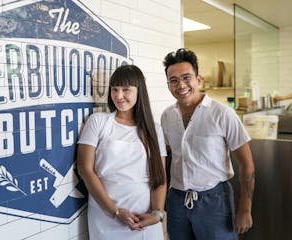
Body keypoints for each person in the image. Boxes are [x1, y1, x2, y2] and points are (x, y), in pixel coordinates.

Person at [161, 48, 255, 239]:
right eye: (173, 80)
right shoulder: (167, 116)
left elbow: (247, 164)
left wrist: (245, 208)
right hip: (177, 200)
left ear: (199, 79)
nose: (181, 85)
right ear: (168, 85)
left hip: (214, 201)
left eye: (187, 77)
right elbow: (169, 157)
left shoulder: (222, 114)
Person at [77, 64, 167, 240]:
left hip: (144, 217)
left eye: (126, 90)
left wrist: (157, 214)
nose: (119, 96)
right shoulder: (98, 122)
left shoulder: (154, 130)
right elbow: (85, 170)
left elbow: (160, 177)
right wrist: (115, 211)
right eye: (114, 89)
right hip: (106, 215)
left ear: (139, 91)